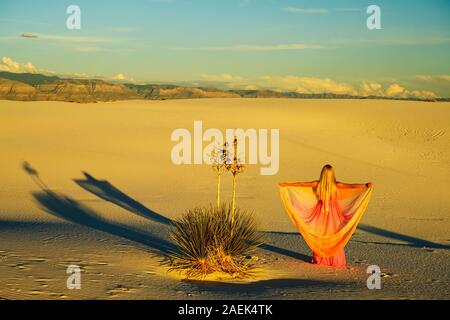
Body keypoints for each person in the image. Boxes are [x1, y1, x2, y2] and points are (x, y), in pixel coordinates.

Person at [279, 164, 373, 267]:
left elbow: (302, 184)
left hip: (320, 214)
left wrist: (287, 184)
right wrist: (365, 185)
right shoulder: (336, 185)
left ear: (322, 174)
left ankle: (321, 260)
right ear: (332, 174)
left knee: (322, 235)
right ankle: (335, 261)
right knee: (333, 236)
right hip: (333, 215)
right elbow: (351, 186)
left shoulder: (317, 184)